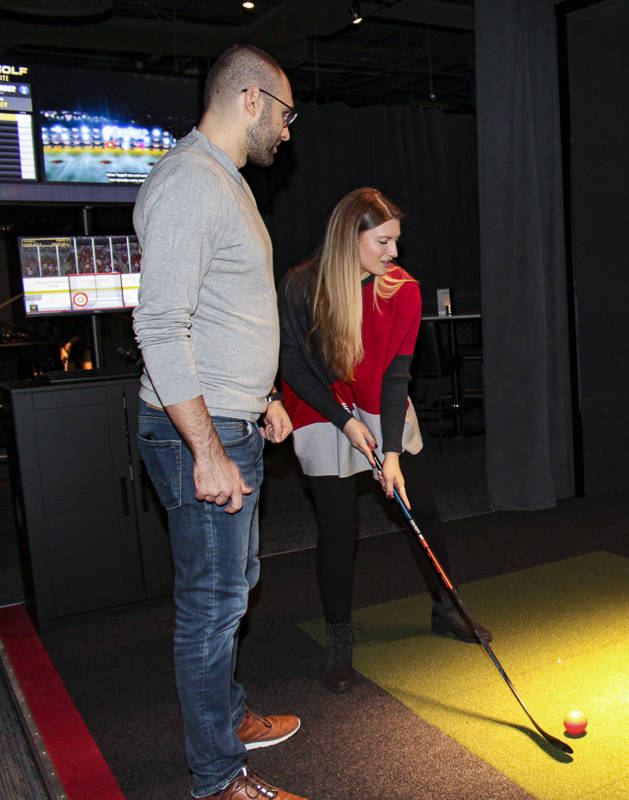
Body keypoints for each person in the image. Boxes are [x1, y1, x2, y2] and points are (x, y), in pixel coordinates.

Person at [131, 44, 308, 800]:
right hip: (196, 436)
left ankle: (227, 719)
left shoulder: (222, 183)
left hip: (232, 420)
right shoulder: (190, 184)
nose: (288, 132)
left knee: (236, 588)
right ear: (250, 98)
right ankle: (217, 780)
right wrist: (206, 449)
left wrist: (262, 394)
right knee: (210, 611)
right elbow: (161, 327)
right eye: (286, 113)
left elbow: (219, 316)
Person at [277, 187, 488, 694]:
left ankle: (447, 606)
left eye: (396, 242)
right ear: (350, 237)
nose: (394, 253)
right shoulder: (302, 286)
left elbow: (396, 378)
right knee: (337, 526)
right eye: (384, 241)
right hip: (320, 408)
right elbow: (294, 366)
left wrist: (389, 452)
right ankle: (338, 634)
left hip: (380, 404)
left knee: (421, 509)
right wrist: (345, 424)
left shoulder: (403, 291)